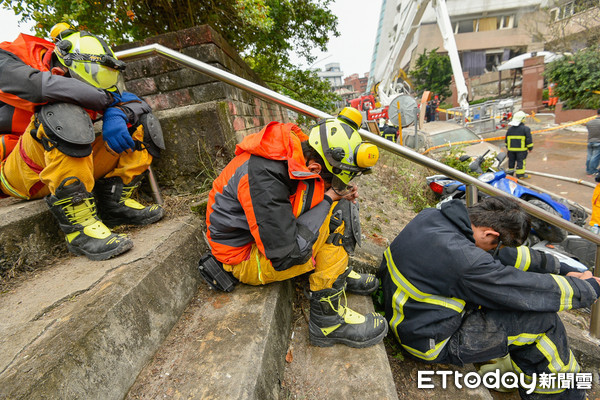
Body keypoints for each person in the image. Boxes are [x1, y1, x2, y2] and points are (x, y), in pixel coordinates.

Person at [378, 196, 600, 399]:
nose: (497, 250)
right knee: (543, 323)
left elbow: (504, 254)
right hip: (429, 340)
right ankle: (563, 395)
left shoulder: (434, 217)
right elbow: (522, 290)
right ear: (490, 234)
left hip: (411, 315)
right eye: (498, 243)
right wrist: (586, 289)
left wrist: (561, 268)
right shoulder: (466, 260)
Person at [205, 107, 388, 348]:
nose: (344, 183)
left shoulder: (298, 152)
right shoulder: (263, 180)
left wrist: (335, 193)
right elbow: (287, 254)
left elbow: (303, 194)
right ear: (314, 168)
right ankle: (328, 322)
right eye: (338, 177)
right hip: (245, 258)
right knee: (333, 219)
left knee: (337, 205)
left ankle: (337, 271)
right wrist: (330, 197)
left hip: (263, 238)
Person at [0, 23, 164, 261]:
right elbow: (37, 86)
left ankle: (114, 203)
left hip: (62, 165)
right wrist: (107, 100)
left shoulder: (89, 66)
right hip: (18, 173)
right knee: (62, 110)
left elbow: (134, 101)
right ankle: (80, 228)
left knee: (142, 122)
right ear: (63, 67)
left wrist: (118, 111)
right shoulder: (9, 57)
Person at [505, 110, 533, 179]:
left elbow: (506, 140)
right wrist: (530, 148)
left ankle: (510, 175)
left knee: (511, 162)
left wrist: (508, 147)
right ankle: (520, 175)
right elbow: (528, 139)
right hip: (521, 150)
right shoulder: (526, 129)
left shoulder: (510, 129)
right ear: (522, 119)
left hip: (511, 150)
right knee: (521, 162)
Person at [585, 109, 600, 176]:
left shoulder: (589, 122)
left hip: (590, 141)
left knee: (589, 156)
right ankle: (593, 170)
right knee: (595, 157)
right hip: (598, 142)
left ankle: (588, 169)